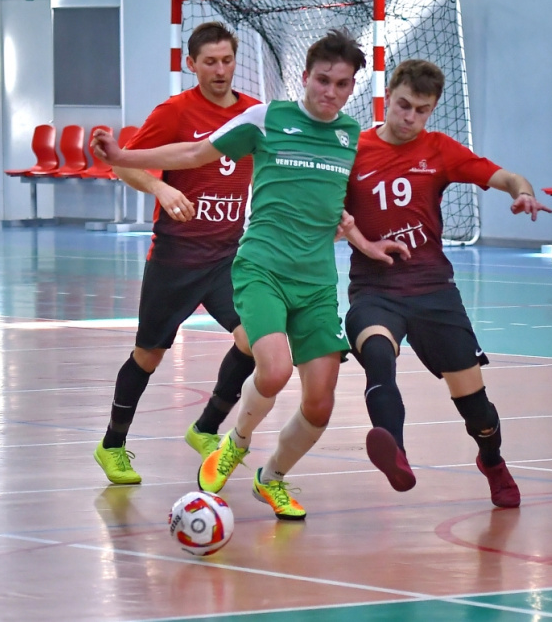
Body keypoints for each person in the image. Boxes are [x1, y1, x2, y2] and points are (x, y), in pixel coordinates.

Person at [92, 29, 406, 519]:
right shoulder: (261, 118)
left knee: (313, 397)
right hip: (225, 261)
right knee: (231, 364)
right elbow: (192, 154)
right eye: (323, 80)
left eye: (342, 84)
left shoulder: (349, 137)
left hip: (289, 273)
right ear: (305, 77)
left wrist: (365, 242)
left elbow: (338, 207)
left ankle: (255, 464)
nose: (331, 91)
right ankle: (192, 441)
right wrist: (127, 162)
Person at [342, 59, 551, 507]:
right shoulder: (353, 151)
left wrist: (523, 192)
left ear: (432, 110)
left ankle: (492, 461)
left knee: (475, 406)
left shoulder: (439, 149)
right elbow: (327, 215)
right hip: (375, 292)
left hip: (433, 291)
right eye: (403, 106)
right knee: (377, 355)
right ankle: (395, 453)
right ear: (388, 96)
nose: (410, 118)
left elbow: (506, 177)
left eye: (422, 110)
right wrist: (353, 236)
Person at [93, 22, 261, 485]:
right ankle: (112, 445)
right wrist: (161, 188)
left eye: (227, 60)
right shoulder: (174, 112)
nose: (220, 70)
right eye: (210, 62)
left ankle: (206, 428)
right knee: (148, 355)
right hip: (176, 257)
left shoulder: (253, 113)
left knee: (254, 340)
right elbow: (126, 165)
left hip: (228, 257)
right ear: (191, 64)